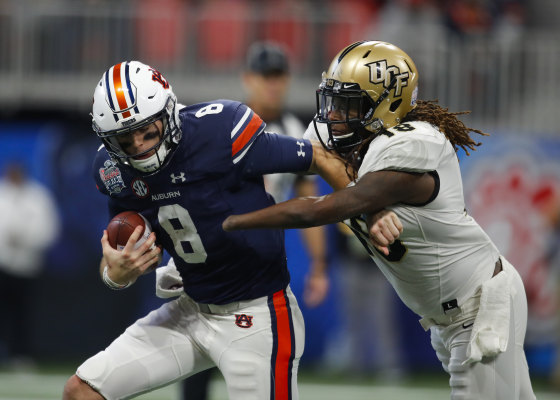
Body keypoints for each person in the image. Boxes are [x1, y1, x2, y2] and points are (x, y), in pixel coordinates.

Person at [62, 60, 396, 400]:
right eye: (124, 140)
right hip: (190, 309)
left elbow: (321, 157)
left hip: (257, 315)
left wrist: (373, 211)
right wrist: (116, 274)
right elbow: (122, 253)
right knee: (82, 392)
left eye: (148, 131)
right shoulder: (111, 169)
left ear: (169, 113)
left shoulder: (220, 132)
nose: (140, 147)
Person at [222, 40, 537, 400]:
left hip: (479, 305)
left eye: (348, 104)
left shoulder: (415, 143)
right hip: (450, 313)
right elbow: (321, 161)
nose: (334, 114)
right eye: (333, 100)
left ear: (387, 105)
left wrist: (235, 221)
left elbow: (321, 207)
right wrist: (372, 209)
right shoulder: (352, 136)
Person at [180, 41, 330, 400]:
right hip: (214, 247)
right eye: (266, 77)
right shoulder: (225, 123)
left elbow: (308, 198)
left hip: (260, 257)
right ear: (248, 78)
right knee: (200, 355)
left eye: (279, 76)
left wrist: (320, 264)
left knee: (253, 359)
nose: (273, 85)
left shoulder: (294, 127)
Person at [0, 162, 60, 368]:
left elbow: (48, 230)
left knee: (22, 313)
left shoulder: (38, 197)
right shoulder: (1, 195)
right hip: (2, 263)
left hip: (27, 266)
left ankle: (21, 356)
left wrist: (24, 239)